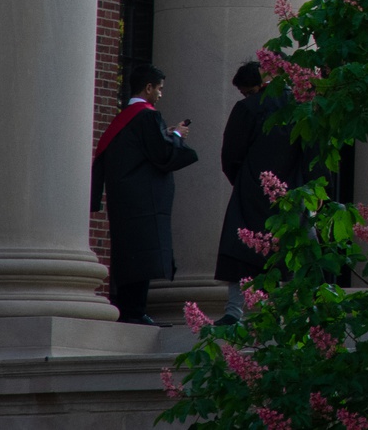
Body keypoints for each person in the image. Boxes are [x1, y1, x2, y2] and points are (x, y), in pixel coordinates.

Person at [90, 64, 198, 324]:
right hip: (144, 200)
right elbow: (161, 152)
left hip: (123, 199)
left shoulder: (121, 120)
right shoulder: (147, 116)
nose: (160, 95)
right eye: (159, 89)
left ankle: (129, 309)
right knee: (144, 254)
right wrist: (175, 135)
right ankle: (135, 312)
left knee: (130, 254)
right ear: (148, 87)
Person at [213, 61, 312, 324]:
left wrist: (243, 181)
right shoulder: (300, 107)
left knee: (240, 250)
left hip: (252, 189)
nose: (245, 96)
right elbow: (313, 153)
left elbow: (231, 155)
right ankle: (289, 315)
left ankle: (235, 311)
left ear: (254, 87)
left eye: (246, 91)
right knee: (292, 252)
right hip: (293, 192)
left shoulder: (247, 109)